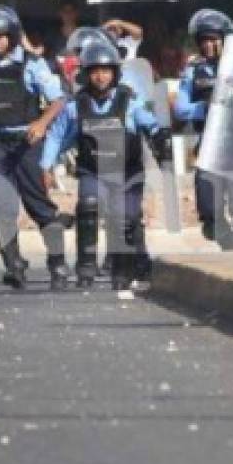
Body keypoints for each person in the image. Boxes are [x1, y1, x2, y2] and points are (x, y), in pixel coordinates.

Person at [41, 43, 171, 290]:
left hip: (127, 174)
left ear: (115, 73)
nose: (101, 77)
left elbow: (152, 126)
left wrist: (161, 140)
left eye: (106, 71)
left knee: (125, 218)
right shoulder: (75, 106)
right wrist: (46, 165)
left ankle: (123, 270)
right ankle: (86, 268)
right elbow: (57, 135)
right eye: (95, 71)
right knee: (88, 208)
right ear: (86, 74)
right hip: (93, 172)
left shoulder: (130, 103)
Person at [0, 6, 71, 290]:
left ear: (12, 36)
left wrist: (41, 123)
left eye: (0, 37)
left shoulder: (31, 64)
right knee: (1, 208)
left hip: (26, 144)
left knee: (39, 205)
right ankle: (13, 264)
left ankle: (58, 264)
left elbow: (59, 99)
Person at [174, 8, 233, 249]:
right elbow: (181, 109)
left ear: (225, 40)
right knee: (208, 208)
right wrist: (205, 108)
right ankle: (222, 233)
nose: (208, 45)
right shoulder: (193, 71)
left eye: (213, 40)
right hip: (209, 141)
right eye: (204, 41)